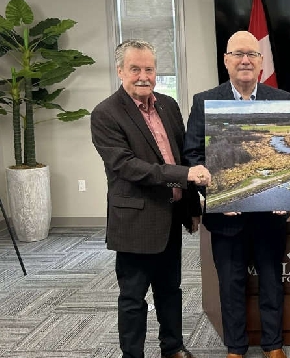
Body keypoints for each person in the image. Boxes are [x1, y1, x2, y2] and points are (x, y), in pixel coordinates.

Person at [91, 40, 211, 358]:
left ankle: (173, 348)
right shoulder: (105, 113)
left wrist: (191, 207)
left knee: (170, 290)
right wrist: (185, 175)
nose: (143, 76)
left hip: (170, 217)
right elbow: (127, 166)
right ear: (120, 71)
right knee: (133, 298)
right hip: (135, 222)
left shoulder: (168, 105)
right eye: (135, 69)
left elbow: (182, 157)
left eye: (149, 69)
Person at [184, 31, 290, 358]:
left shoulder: (282, 99)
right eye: (238, 54)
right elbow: (193, 155)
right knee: (231, 285)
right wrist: (218, 191)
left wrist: (286, 192)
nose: (245, 60)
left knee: (271, 282)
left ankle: (273, 345)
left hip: (270, 214)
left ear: (261, 62)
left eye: (252, 54)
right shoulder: (205, 101)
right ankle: (236, 348)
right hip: (226, 216)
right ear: (226, 60)